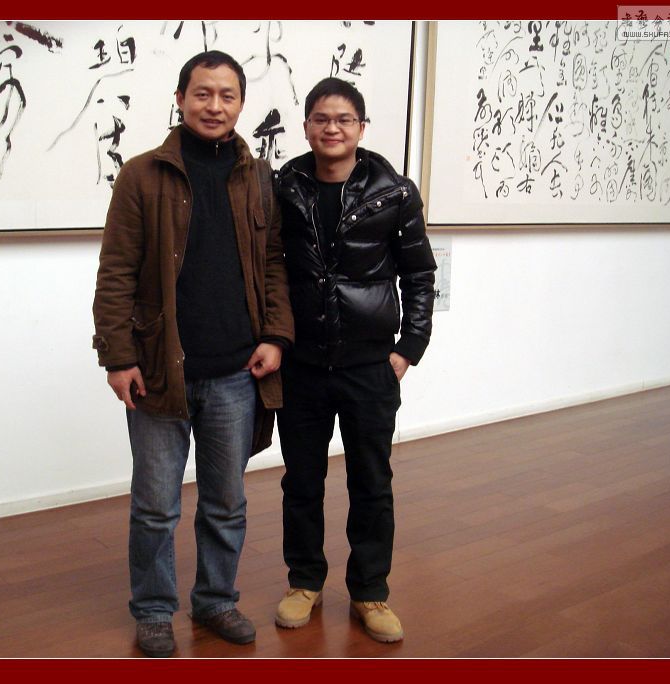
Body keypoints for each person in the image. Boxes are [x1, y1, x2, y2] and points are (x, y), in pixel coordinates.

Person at [92, 50, 294, 658]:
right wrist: (118, 358)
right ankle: (155, 610)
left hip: (236, 371)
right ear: (180, 99)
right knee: (156, 506)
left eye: (227, 95)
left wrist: (275, 336)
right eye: (202, 93)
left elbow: (273, 263)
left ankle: (215, 600)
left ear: (240, 103)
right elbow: (116, 272)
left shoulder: (258, 178)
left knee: (226, 502)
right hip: (160, 371)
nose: (214, 105)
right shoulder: (142, 175)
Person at [273, 77, 436, 643]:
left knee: (371, 480)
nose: (332, 128)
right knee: (302, 480)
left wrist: (409, 347)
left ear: (361, 127)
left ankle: (370, 590)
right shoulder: (284, 187)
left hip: (370, 365)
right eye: (321, 118)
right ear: (306, 127)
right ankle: (304, 582)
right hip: (302, 363)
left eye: (344, 119)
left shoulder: (395, 192)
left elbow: (419, 274)